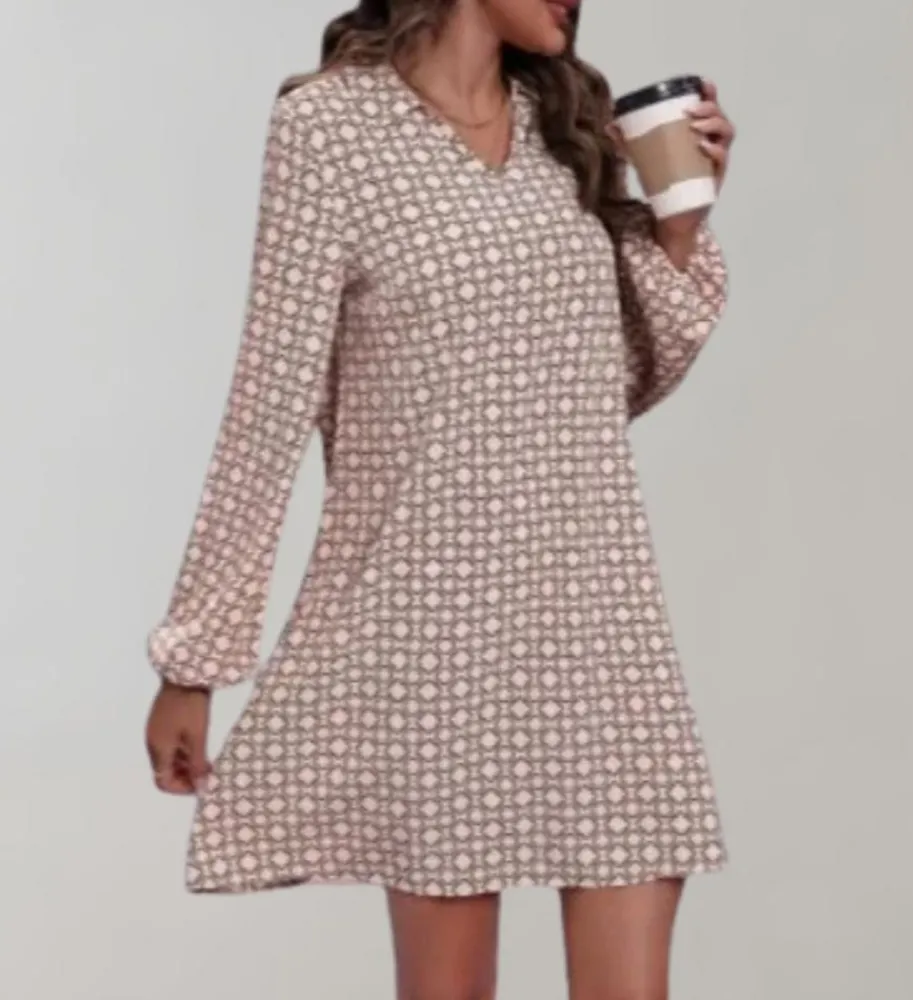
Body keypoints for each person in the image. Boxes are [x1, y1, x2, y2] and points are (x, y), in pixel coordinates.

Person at [144, 0, 737, 996]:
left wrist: (676, 229)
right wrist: (195, 661)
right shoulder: (330, 129)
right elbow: (269, 401)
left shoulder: (565, 129)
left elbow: (604, 386)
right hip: (432, 637)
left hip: (599, 625)